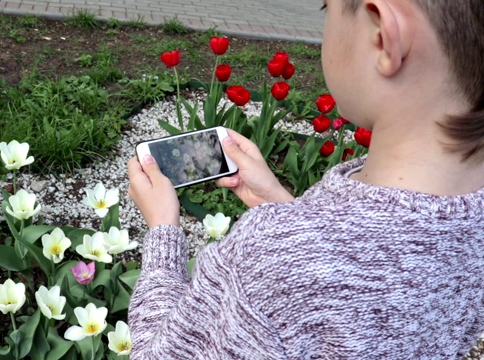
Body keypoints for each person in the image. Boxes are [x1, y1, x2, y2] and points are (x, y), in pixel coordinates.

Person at [126, 0, 484, 358]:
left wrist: (162, 233)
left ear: (382, 36)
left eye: (327, 7)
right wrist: (288, 211)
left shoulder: (266, 259)